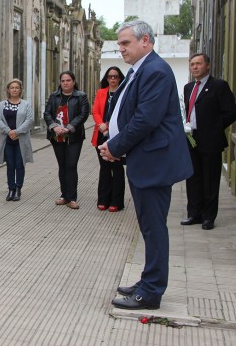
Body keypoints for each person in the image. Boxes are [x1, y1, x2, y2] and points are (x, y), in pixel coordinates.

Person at [99, 20, 193, 310]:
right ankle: (147, 279)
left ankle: (151, 292)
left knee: (153, 228)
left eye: (126, 43)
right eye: (120, 43)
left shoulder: (154, 70)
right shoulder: (140, 69)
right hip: (145, 160)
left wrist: (115, 147)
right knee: (148, 227)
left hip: (154, 163)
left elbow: (145, 120)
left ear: (146, 41)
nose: (121, 48)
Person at [182, 53, 236, 230]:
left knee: (210, 179)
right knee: (193, 177)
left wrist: (213, 128)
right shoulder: (188, 87)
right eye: (192, 64)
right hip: (192, 138)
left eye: (198, 64)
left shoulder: (219, 86)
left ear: (207, 66)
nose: (195, 67)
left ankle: (208, 217)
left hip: (211, 140)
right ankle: (194, 213)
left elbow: (231, 112)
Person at [43, 71, 90, 209]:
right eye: (63, 81)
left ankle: (72, 198)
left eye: (68, 80)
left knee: (71, 165)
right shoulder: (54, 96)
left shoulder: (81, 96)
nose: (65, 83)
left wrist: (69, 128)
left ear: (73, 81)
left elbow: (83, 114)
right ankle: (64, 195)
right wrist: (54, 127)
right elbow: (47, 113)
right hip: (56, 136)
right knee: (62, 165)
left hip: (73, 137)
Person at [91, 67, 126, 212]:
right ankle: (103, 199)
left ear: (120, 78)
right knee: (104, 167)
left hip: (117, 135)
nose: (112, 79)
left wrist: (110, 125)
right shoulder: (101, 92)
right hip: (101, 133)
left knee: (117, 168)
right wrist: (101, 125)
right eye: (110, 76)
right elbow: (96, 111)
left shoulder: (124, 92)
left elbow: (125, 112)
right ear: (106, 78)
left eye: (115, 76)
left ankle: (117, 201)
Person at [0, 79, 34, 201]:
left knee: (19, 164)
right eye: (12, 87)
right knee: (10, 165)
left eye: (17, 87)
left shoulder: (26, 104)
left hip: (21, 140)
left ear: (20, 90)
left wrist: (16, 131)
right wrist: (8, 131)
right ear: (8, 90)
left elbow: (29, 120)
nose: (14, 89)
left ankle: (18, 189)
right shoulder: (2, 104)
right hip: (7, 140)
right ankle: (11, 189)